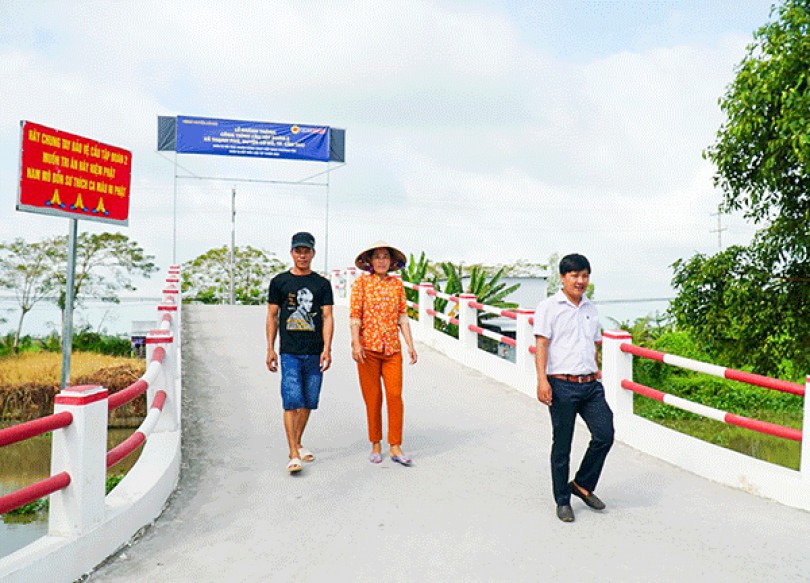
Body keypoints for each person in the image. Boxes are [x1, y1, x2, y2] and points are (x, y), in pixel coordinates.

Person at [533, 253, 614, 522]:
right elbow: (542, 344)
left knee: (605, 434)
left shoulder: (590, 308)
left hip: (590, 385)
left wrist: (596, 370)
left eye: (585, 276)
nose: (580, 281)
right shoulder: (549, 307)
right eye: (575, 276)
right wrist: (542, 380)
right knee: (562, 444)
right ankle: (562, 500)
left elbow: (593, 343)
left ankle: (581, 484)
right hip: (561, 385)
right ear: (563, 278)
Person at [266, 232, 334, 473]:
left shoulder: (322, 284)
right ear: (292, 253)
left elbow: (327, 317)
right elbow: (272, 316)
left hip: (314, 351)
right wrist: (270, 348)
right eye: (298, 251)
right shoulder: (280, 282)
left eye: (306, 251)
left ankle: (297, 443)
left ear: (313, 253)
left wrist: (327, 348)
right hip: (289, 352)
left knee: (308, 401)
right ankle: (294, 453)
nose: (302, 255)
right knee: (291, 400)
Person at [350, 241, 418, 465]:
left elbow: (402, 317)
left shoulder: (396, 285)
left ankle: (395, 445)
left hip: (392, 350)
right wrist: (356, 344)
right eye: (377, 257)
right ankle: (376, 443)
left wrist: (410, 345)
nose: (381, 261)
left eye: (385, 257)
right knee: (373, 398)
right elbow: (355, 316)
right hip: (367, 350)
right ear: (370, 261)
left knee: (395, 396)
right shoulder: (361, 284)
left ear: (391, 262)